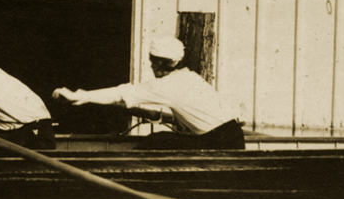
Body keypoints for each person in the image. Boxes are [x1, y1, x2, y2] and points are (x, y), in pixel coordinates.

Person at [54, 35, 246, 149]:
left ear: (161, 63)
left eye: (153, 61)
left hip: (219, 143)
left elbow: (121, 93)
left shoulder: (168, 85)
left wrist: (78, 96)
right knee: (161, 139)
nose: (152, 65)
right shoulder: (190, 77)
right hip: (231, 137)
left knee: (158, 140)